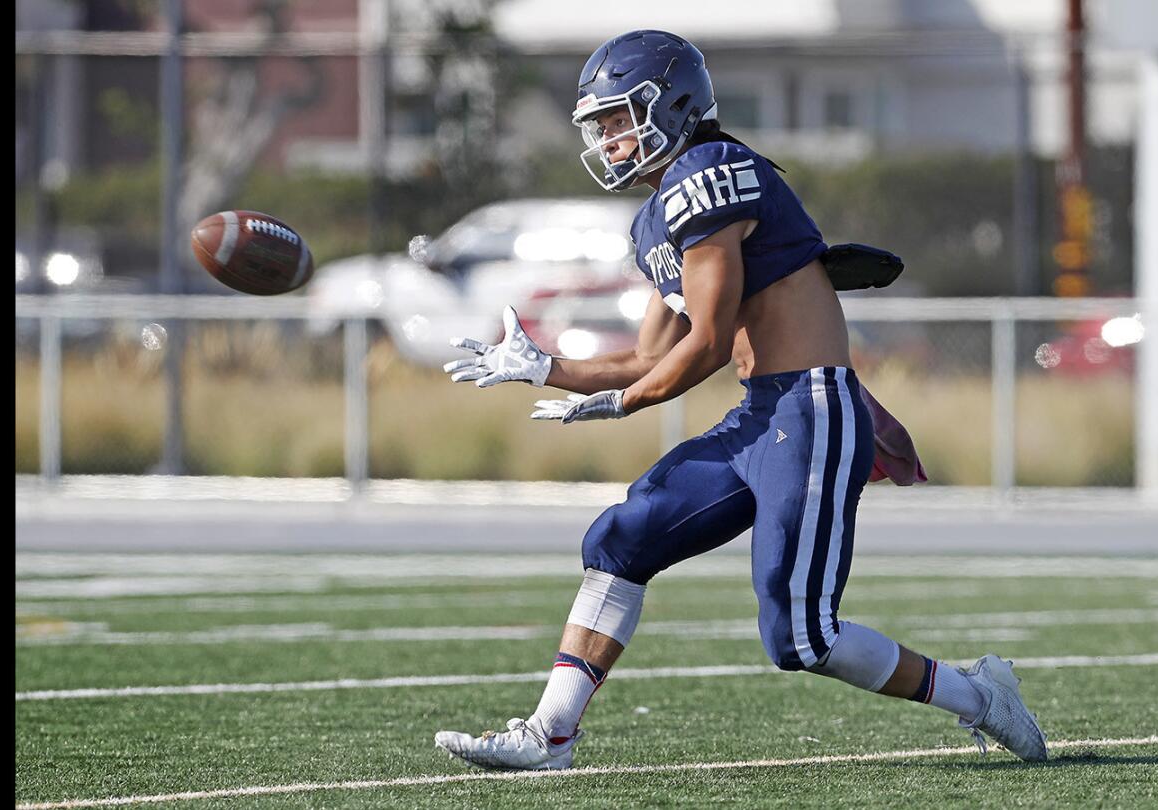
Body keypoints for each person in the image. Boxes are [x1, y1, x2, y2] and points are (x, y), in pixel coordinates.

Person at [433, 29, 1046, 770]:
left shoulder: (711, 169)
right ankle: (550, 734)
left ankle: (980, 694)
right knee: (620, 540)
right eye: (601, 125)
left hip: (810, 410)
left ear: (672, 105)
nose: (608, 137)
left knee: (801, 638)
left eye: (620, 117)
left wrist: (621, 406)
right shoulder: (655, 214)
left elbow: (710, 342)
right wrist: (546, 366)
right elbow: (655, 354)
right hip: (760, 417)